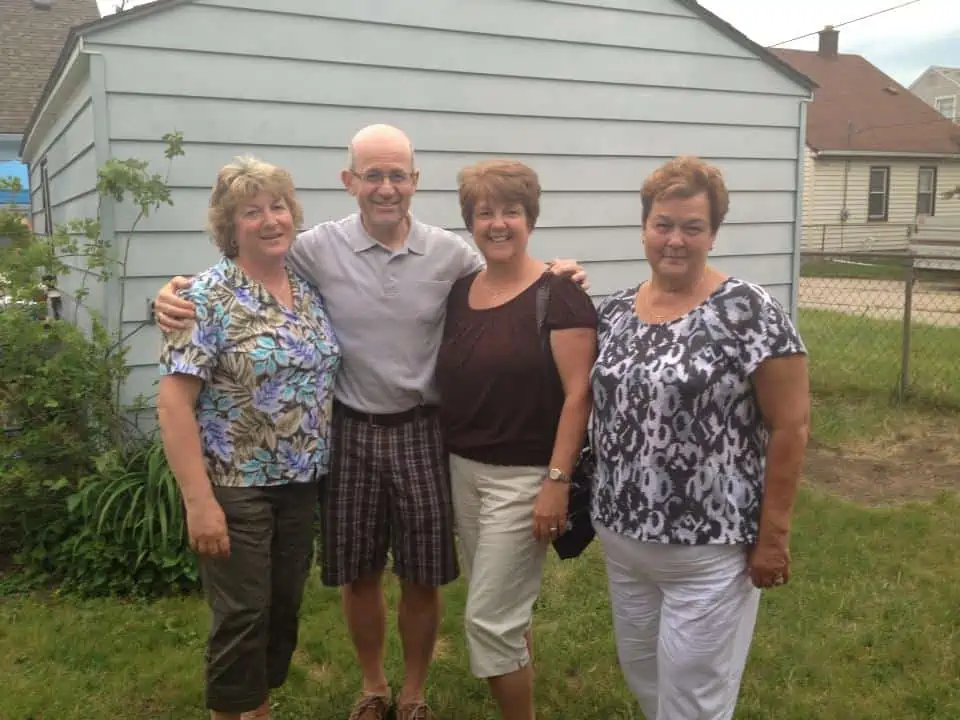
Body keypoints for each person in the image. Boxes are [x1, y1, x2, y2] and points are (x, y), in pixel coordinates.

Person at [152, 124, 587, 720]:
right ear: (350, 181)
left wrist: (560, 272)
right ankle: (374, 686)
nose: (387, 188)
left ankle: (413, 692)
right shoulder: (313, 248)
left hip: (422, 430)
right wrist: (172, 291)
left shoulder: (451, 255)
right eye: (373, 175)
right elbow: (242, 267)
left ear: (414, 181)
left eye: (397, 175)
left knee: (422, 573)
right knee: (356, 572)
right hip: (348, 431)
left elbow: (508, 273)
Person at [589, 156, 810, 720]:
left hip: (709, 553)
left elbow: (790, 424)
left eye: (692, 227)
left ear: (713, 233)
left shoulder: (749, 311)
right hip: (623, 541)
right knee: (646, 681)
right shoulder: (613, 312)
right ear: (644, 227)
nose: (676, 240)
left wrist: (774, 537)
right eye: (663, 224)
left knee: (693, 701)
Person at [157, 156, 341, 720]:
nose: (269, 220)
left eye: (278, 206)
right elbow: (174, 403)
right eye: (251, 211)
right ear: (228, 226)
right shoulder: (203, 298)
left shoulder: (308, 290)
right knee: (242, 615)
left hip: (299, 482)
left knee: (281, 610)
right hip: (236, 486)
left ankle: (254, 704)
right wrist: (199, 503)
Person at [435, 159, 597, 720]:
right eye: (485, 213)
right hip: (463, 471)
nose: (498, 223)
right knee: (503, 609)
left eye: (511, 211)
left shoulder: (561, 294)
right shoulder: (459, 292)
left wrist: (556, 481)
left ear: (530, 218)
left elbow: (580, 395)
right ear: (470, 222)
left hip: (526, 477)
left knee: (488, 620)